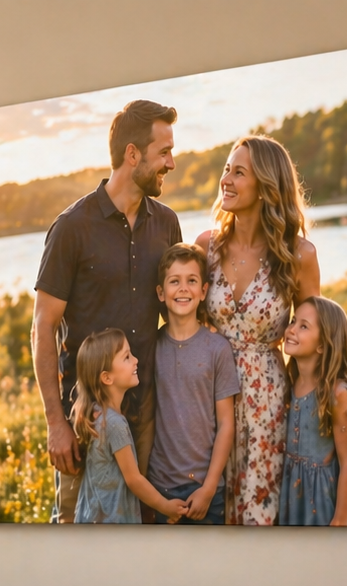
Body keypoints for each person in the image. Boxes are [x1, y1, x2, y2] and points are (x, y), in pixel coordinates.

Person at [34, 99, 183, 522]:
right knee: (79, 531)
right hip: (87, 421)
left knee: (146, 529)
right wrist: (56, 423)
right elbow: (43, 327)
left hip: (149, 413)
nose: (171, 163)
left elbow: (181, 305)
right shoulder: (72, 228)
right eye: (164, 152)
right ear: (132, 155)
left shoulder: (167, 224)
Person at [194, 135, 322, 525]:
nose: (226, 180)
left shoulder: (298, 255)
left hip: (269, 408)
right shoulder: (206, 247)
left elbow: (313, 340)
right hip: (208, 400)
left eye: (239, 172)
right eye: (226, 170)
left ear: (266, 185)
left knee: (260, 520)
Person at [145, 243, 239, 525]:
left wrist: (209, 489)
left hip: (207, 490)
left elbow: (226, 425)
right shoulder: (152, 347)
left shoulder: (217, 349)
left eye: (191, 281)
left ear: (203, 291)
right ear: (161, 293)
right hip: (161, 488)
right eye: (174, 281)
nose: (183, 289)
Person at [70, 329, 188, 525]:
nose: (136, 360)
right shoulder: (114, 423)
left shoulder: (97, 413)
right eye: (126, 357)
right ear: (107, 378)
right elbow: (134, 480)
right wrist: (165, 506)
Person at [278, 297, 347, 526]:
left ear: (322, 344)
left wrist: (340, 518)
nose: (291, 329)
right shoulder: (290, 380)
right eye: (293, 321)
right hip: (294, 496)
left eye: (303, 326)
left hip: (325, 499)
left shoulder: (336, 393)